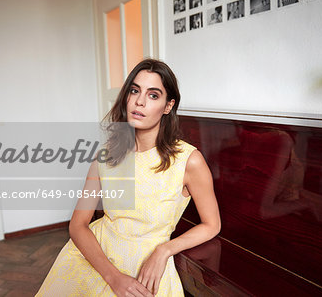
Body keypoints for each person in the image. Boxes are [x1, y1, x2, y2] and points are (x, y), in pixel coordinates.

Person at [36, 59, 221, 297]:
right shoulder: (105, 156)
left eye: (153, 95)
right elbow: (78, 225)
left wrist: (164, 250)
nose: (140, 101)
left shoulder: (188, 160)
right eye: (135, 91)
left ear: (168, 106)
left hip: (146, 268)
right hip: (96, 258)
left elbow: (212, 224)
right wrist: (113, 277)